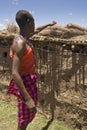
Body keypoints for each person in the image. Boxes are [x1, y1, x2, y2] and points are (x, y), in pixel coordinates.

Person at [7, 10, 38, 130]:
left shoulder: (25, 38)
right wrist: (27, 98)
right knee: (23, 120)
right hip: (24, 83)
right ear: (29, 22)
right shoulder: (19, 43)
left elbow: (37, 30)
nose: (35, 24)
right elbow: (15, 72)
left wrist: (49, 25)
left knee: (29, 114)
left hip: (29, 81)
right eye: (34, 21)